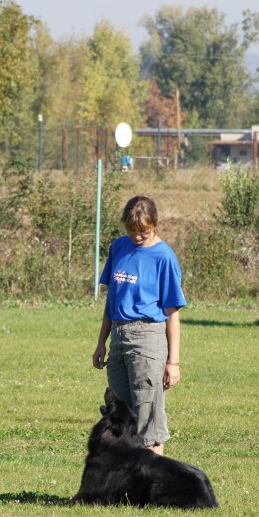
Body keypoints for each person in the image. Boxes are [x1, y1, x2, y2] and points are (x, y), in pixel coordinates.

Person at [92, 195, 186, 457]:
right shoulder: (119, 248)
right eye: (132, 231)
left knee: (148, 417)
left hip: (148, 338)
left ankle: (151, 483)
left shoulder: (163, 257)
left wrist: (173, 362)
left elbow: (172, 313)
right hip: (119, 335)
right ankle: (125, 482)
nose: (137, 236)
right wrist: (102, 341)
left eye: (143, 231)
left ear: (154, 224)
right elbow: (112, 300)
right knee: (120, 414)